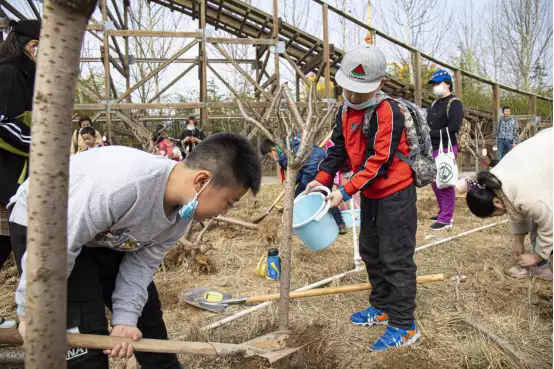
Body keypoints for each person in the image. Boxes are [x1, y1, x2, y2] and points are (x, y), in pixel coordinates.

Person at [9, 133, 261, 368]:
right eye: (228, 202)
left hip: (103, 237)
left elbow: (140, 266)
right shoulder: (124, 186)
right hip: (47, 224)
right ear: (202, 180)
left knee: (146, 319)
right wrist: (30, 312)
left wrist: (125, 320)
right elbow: (59, 246)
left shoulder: (182, 214)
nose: (224, 213)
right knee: (85, 330)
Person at [306, 45, 420, 351]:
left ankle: (404, 324)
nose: (354, 97)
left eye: (361, 92)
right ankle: (381, 306)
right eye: (349, 90)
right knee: (371, 250)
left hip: (395, 193)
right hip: (370, 193)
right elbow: (337, 150)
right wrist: (320, 180)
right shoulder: (344, 110)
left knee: (396, 257)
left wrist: (343, 192)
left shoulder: (388, 112)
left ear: (380, 84)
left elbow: (379, 162)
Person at [465, 128, 553, 281]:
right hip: (545, 150)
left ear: (496, 202)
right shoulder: (498, 182)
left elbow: (549, 220)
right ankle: (541, 265)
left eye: (494, 214)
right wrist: (518, 242)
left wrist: (537, 257)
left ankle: (541, 266)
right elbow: (513, 206)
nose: (499, 215)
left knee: (543, 223)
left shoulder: (528, 197)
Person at [0, 20, 41, 271]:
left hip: (15, 181)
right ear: (34, 46)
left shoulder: (21, 74)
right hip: (6, 181)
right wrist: (46, 147)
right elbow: (4, 124)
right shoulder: (10, 73)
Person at [260, 137, 347, 235]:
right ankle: (340, 224)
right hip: (325, 164)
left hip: (312, 168)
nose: (272, 158)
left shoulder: (285, 152)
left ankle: (302, 227)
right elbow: (299, 170)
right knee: (326, 194)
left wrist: (290, 182)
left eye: (269, 156)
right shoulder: (293, 142)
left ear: (273, 150)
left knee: (299, 198)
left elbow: (294, 169)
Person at [427, 69, 464, 231]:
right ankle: (444, 210)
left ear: (447, 84)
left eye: (438, 83)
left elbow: (454, 126)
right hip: (433, 147)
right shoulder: (435, 103)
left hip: (446, 147)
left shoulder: (454, 103)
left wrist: (432, 134)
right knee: (435, 182)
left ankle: (446, 218)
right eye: (434, 84)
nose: (435, 87)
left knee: (446, 182)